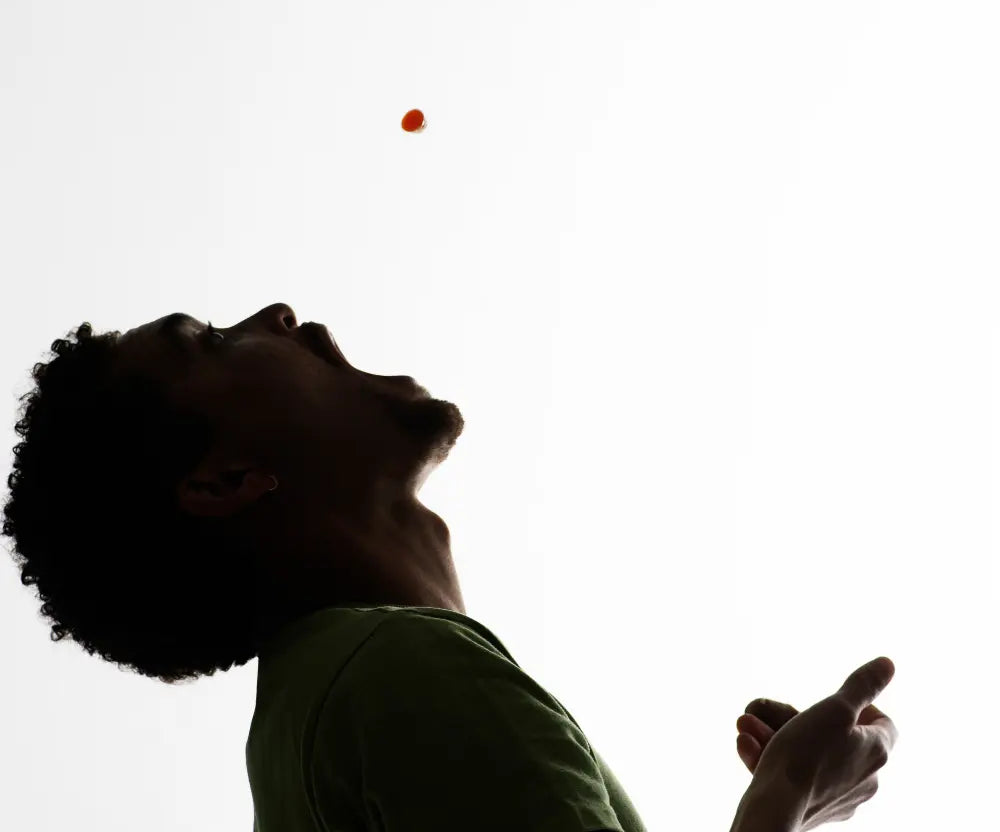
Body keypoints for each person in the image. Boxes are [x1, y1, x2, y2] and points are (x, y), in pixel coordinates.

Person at [3, 302, 897, 831]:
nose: (277, 316)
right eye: (213, 342)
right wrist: (784, 795)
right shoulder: (394, 681)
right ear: (226, 480)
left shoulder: (321, 724)